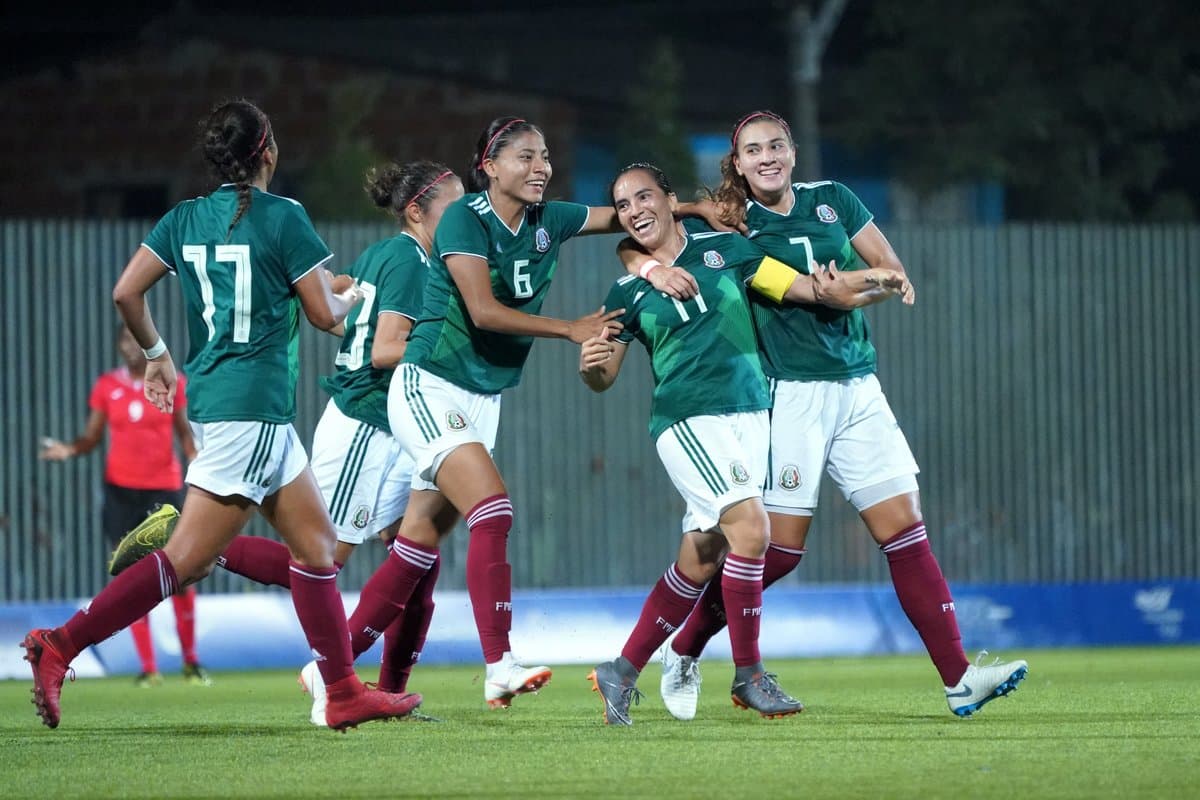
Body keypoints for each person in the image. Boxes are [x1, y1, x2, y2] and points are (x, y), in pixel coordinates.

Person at [22, 99, 421, 731]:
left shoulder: (183, 218)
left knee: (317, 549)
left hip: (221, 402)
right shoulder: (283, 215)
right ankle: (61, 644)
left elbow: (126, 291)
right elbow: (322, 315)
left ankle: (342, 690)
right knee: (187, 561)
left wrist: (157, 356)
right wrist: (355, 298)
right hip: (252, 407)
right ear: (267, 152)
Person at [342, 117, 729, 709]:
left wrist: (694, 212)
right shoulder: (464, 218)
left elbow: (629, 223)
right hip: (431, 384)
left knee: (418, 540)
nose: (541, 167)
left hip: (481, 395)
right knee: (492, 510)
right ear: (489, 166)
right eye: (525, 157)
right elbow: (482, 310)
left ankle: (332, 668)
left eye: (545, 156)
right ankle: (498, 663)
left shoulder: (549, 219)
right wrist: (569, 328)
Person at [656, 110, 1029, 720]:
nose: (767, 156)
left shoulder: (834, 199)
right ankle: (687, 645)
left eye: (776, 144)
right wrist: (850, 283)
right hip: (788, 395)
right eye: (753, 150)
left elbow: (889, 270)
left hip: (857, 388)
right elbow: (816, 288)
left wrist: (872, 281)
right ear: (739, 163)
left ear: (794, 152)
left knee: (905, 527)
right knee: (778, 553)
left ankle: (960, 679)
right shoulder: (735, 228)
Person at [581, 162, 909, 725]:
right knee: (754, 531)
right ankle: (750, 674)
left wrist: (876, 278)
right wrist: (592, 364)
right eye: (623, 202)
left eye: (645, 196)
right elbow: (603, 374)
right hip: (689, 421)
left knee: (703, 555)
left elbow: (802, 288)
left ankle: (622, 670)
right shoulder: (627, 287)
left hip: (751, 416)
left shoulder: (727, 251)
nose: (635, 209)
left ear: (669, 198)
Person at [215, 159, 464, 725]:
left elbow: (339, 295)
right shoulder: (408, 261)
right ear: (417, 211)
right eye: (456, 204)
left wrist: (337, 290)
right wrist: (458, 348)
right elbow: (382, 352)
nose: (467, 214)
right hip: (365, 426)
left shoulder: (397, 255)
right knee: (324, 557)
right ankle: (203, 547)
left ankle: (390, 692)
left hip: (395, 425)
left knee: (420, 561)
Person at [39, 325, 210, 687]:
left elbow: (183, 432)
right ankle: (149, 668)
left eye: (138, 339)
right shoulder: (107, 386)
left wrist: (197, 461)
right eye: (125, 340)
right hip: (120, 492)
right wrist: (70, 449)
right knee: (131, 579)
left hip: (163, 490)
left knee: (182, 572)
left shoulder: (170, 381)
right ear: (118, 345)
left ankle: (192, 662)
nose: (132, 346)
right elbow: (91, 437)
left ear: (150, 344)